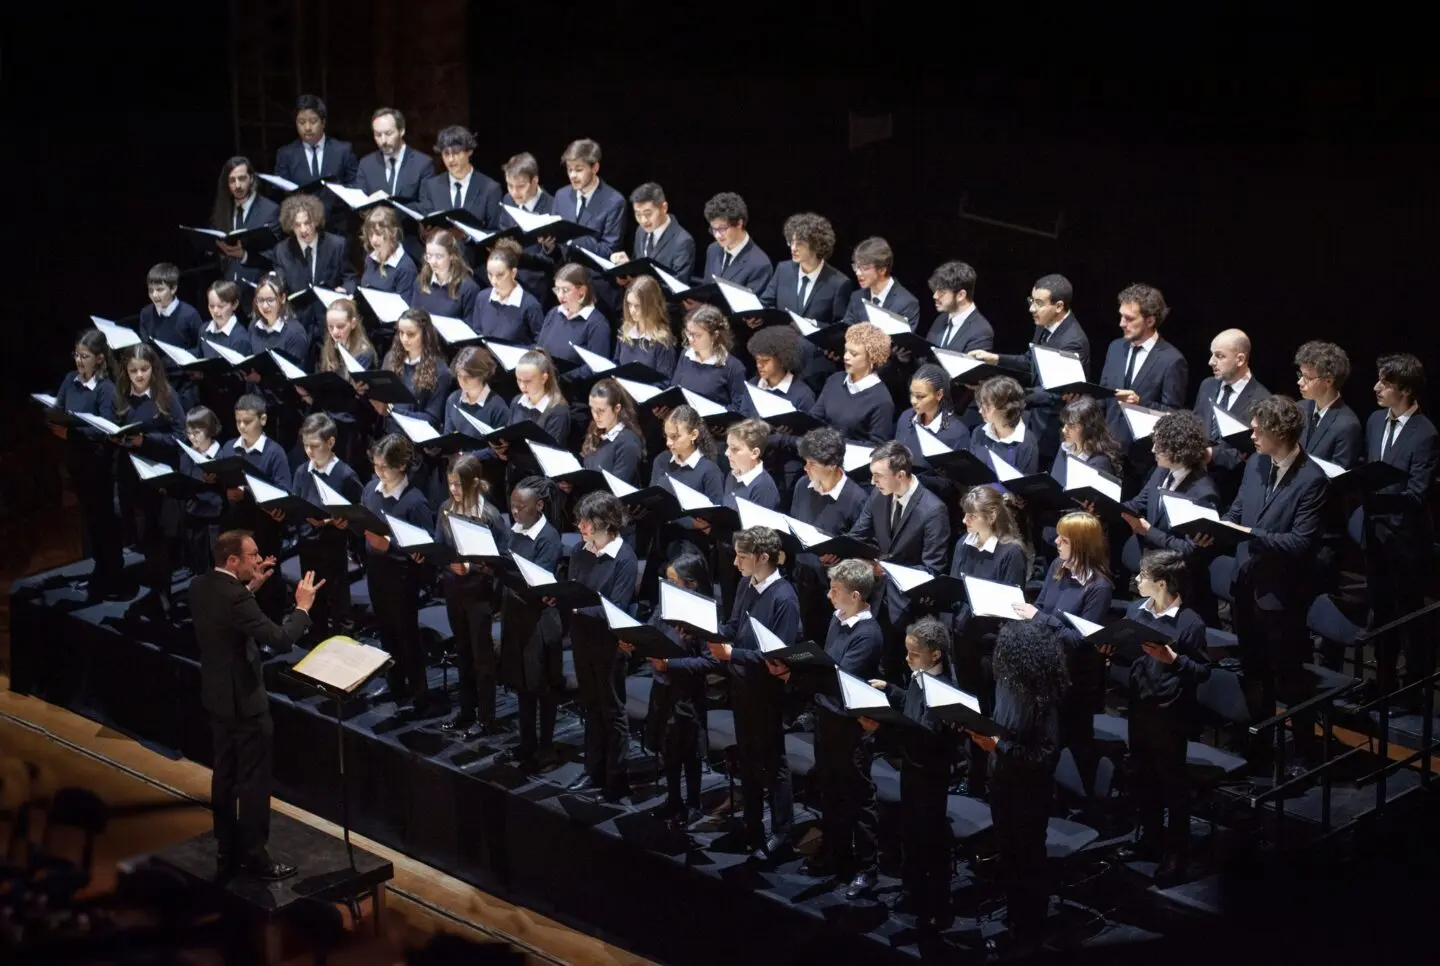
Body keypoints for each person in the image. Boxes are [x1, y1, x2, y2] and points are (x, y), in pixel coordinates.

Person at [190, 529, 322, 880]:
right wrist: (303, 607)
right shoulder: (236, 597)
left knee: (224, 776)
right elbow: (280, 638)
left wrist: (250, 587)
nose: (260, 560)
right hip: (245, 703)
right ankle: (255, 856)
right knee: (253, 782)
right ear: (233, 560)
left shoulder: (200, 585)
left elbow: (227, 612)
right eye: (253, 555)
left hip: (216, 697)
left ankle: (226, 848)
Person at [1218, 395, 1328, 768]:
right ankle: (1259, 746)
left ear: (1278, 432)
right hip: (1246, 585)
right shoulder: (1255, 464)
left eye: (1257, 430)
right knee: (1253, 672)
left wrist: (1250, 534)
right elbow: (1238, 509)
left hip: (1281, 596)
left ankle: (1306, 754)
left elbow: (1300, 543)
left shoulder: (1312, 480)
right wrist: (1218, 527)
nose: (1251, 435)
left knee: (1289, 677)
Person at [771, 558, 884, 899]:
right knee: (831, 792)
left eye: (835, 591)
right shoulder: (838, 619)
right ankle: (836, 853)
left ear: (855, 595)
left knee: (858, 798)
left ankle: (866, 868)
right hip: (827, 719)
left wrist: (797, 674)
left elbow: (840, 678)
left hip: (850, 728)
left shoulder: (869, 634)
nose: (829, 596)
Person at [689, 526, 799, 858]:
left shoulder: (785, 598)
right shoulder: (745, 584)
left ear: (763, 557)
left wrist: (732, 654)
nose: (735, 563)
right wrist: (706, 630)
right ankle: (752, 826)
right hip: (741, 685)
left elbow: (778, 657)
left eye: (742, 556)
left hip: (766, 692)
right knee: (748, 760)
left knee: (772, 763)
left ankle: (782, 832)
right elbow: (735, 626)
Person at [1113, 550, 1211, 882]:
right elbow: (1130, 655)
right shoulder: (1135, 611)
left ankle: (1176, 854)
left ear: (1162, 584)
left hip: (1170, 715)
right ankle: (1150, 840)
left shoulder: (1190, 622)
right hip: (1139, 706)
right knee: (1143, 778)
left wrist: (1174, 660)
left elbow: (1202, 672)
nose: (1137, 579)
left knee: (1172, 785)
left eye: (1143, 575)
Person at [968, 620, 1066, 954]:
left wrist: (999, 746)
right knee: (1009, 857)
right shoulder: (1006, 683)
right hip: (1002, 782)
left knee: (1028, 861)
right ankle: (1015, 923)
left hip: (1030, 791)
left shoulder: (1045, 697)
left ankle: (1030, 932)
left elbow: (1045, 756)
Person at [860, 616, 957, 929]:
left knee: (930, 841)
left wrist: (882, 729)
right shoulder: (920, 678)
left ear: (935, 654)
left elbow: (924, 734)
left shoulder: (944, 691)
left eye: (914, 654)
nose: (907, 658)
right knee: (911, 834)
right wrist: (891, 690)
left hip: (930, 777)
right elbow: (911, 705)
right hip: (912, 772)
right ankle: (913, 892)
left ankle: (937, 906)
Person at [1012, 511, 1113, 797]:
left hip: (1075, 680)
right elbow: (1042, 605)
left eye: (1064, 539)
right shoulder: (1058, 566)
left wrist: (1039, 618)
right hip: (1048, 668)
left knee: (1076, 743)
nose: (1056, 542)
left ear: (1080, 544)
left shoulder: (1099, 587)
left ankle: (1088, 802)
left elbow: (1079, 641)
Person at [1362, 354, 1439, 708]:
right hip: (1374, 535)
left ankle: (1414, 689)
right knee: (1380, 611)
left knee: (1408, 615)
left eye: (1386, 383)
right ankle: (1383, 680)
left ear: (1405, 390)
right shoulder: (1375, 421)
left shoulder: (1425, 433)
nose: (1377, 388)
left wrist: (1373, 493)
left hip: (1405, 540)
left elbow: (1417, 493)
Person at [948, 486, 1029, 797]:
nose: (965, 521)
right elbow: (955, 586)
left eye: (971, 515)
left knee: (988, 713)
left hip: (990, 645)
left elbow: (1010, 604)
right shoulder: (964, 543)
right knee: (967, 710)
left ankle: (987, 780)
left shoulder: (1011, 552)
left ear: (992, 516)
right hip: (963, 638)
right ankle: (970, 774)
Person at [849, 441, 951, 676]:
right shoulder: (878, 495)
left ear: (900, 475)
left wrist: (884, 570)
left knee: (898, 671)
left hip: (908, 607)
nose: (872, 481)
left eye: (878, 476)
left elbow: (932, 570)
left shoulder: (934, 510)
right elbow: (857, 535)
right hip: (877, 597)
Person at [626, 552, 712, 827]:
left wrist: (671, 664)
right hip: (662, 689)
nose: (667, 585)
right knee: (668, 747)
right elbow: (649, 632)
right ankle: (673, 799)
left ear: (691, 583)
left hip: (687, 694)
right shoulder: (665, 605)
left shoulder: (703, 612)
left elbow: (710, 661)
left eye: (673, 580)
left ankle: (693, 804)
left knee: (689, 751)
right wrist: (633, 642)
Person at [970, 273, 1090, 468]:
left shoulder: (1073, 341)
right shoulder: (1044, 324)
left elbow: (1057, 393)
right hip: (1034, 418)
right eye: (1031, 301)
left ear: (1058, 306)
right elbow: (1029, 361)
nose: (1032, 308)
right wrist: (995, 358)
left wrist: (1011, 397)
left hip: (1051, 427)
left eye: (1039, 303)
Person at [565, 492, 640, 802]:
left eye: (588, 521)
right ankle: (592, 769)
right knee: (590, 705)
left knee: (612, 710)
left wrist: (576, 608)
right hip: (582, 638)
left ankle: (616, 778)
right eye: (580, 520)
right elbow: (572, 589)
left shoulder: (624, 558)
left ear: (607, 523)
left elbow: (616, 607)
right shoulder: (579, 551)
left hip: (609, 645)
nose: (581, 526)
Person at [1118, 410, 1222, 620]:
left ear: (1178, 449)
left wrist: (1148, 531)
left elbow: (1191, 550)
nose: (1153, 449)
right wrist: (1107, 506)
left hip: (1178, 587)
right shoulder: (1162, 471)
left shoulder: (1203, 493)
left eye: (1160, 446)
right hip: (1152, 573)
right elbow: (1139, 503)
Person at [359, 434, 436, 712]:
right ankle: (395, 685)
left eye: (384, 467)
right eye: (376, 465)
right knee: (386, 632)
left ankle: (419, 692)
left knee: (406, 635)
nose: (379, 472)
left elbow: (426, 550)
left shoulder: (415, 502)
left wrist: (389, 546)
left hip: (403, 579)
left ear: (401, 466)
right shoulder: (371, 490)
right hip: (377, 573)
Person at [436, 453, 508, 737]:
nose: (454, 489)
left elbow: (501, 560)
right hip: (454, 591)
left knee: (482, 658)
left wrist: (473, 566)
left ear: (474, 483)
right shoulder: (445, 509)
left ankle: (486, 717)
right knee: (463, 652)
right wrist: (448, 564)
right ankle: (466, 711)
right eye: (451, 483)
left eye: (459, 484)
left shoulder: (489, 515)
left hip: (480, 595)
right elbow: (440, 549)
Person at [113, 344, 186, 622]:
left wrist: (146, 441)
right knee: (144, 537)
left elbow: (181, 436)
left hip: (160, 479)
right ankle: (155, 591)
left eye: (144, 369)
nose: (139, 375)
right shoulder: (122, 396)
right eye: (133, 371)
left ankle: (163, 594)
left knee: (161, 539)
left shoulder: (165, 395)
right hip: (133, 478)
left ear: (153, 369)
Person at [498, 478, 565, 771]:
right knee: (522, 685)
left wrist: (503, 572)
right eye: (512, 506)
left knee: (542, 688)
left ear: (539, 506)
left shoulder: (548, 537)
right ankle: (527, 744)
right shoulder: (514, 531)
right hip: (516, 618)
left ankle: (546, 749)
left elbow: (537, 582)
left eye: (521, 507)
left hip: (539, 623)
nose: (515, 512)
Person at [1099, 283, 1189, 488]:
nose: (1122, 323)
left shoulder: (1172, 360)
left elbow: (1173, 414)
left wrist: (1141, 402)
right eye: (1121, 316)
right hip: (1107, 453)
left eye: (1129, 318)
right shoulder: (1115, 348)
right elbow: (1104, 395)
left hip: (1141, 463)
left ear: (1150, 320)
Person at [789, 428, 869, 642]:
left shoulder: (857, 499)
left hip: (834, 589)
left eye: (812, 463)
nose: (806, 468)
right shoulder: (802, 486)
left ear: (832, 464)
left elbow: (860, 552)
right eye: (805, 462)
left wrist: (838, 559)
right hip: (803, 579)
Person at [289, 412, 362, 640]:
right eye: (305, 446)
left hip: (334, 545)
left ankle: (342, 638)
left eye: (315, 446)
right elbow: (296, 503)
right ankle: (316, 635)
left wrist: (338, 522)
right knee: (314, 596)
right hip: (308, 544)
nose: (309, 451)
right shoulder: (302, 472)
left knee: (338, 596)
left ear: (330, 443)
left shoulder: (345, 475)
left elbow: (359, 513)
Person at [763, 212, 854, 395]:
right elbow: (767, 303)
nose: (793, 248)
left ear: (816, 246)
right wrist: (757, 316)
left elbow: (840, 327)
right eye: (791, 242)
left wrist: (813, 325)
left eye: (800, 244)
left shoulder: (838, 283)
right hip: (780, 357)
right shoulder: (783, 269)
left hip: (813, 367)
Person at [1192, 328, 1270, 506]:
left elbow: (1254, 453)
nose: (1211, 362)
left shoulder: (1262, 399)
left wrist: (1211, 455)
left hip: (1229, 490)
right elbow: (1196, 424)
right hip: (1195, 481)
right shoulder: (1207, 385)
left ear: (1240, 359)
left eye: (1220, 356)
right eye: (1212, 355)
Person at [266, 195, 357, 344]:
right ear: (290, 226)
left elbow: (350, 277)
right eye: (297, 225)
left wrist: (346, 291)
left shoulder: (337, 245)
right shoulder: (281, 251)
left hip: (331, 325)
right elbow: (280, 286)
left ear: (316, 221)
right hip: (298, 327)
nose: (303, 229)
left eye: (307, 223)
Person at [745, 325, 815, 508]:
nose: (759, 365)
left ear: (783, 360)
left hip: (787, 475)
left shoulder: (802, 395)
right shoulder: (753, 384)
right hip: (754, 467)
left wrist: (780, 438)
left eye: (765, 361)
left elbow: (810, 442)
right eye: (757, 360)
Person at [273, 94, 358, 233]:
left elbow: (354, 187)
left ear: (323, 122)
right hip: (301, 230)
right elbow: (279, 196)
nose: (307, 127)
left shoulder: (343, 150)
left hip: (337, 229)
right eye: (301, 122)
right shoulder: (285, 154)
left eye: (313, 121)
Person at [809, 322, 895, 444]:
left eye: (854, 354)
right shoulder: (835, 380)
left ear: (872, 359)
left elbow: (877, 446)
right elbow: (815, 418)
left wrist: (836, 444)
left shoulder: (882, 401)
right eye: (846, 351)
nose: (846, 357)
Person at [495, 152, 558, 303]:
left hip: (539, 285)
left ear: (535, 180)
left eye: (521, 186)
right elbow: (503, 232)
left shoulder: (553, 206)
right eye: (510, 186)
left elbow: (555, 258)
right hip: (510, 280)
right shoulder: (507, 200)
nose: (514, 192)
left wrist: (548, 248)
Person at [138, 261, 203, 406]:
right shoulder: (146, 314)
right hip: (157, 384)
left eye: (160, 290)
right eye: (150, 290)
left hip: (184, 385)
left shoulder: (190, 315)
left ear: (173, 288)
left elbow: (200, 349)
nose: (154, 295)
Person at [210, 156, 280, 285]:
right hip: (229, 288)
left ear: (251, 179)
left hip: (258, 286)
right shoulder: (223, 211)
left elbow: (274, 257)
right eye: (232, 180)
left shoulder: (270, 210)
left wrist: (244, 255)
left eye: (242, 178)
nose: (237, 185)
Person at [417, 125, 503, 229]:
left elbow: (495, 232)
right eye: (446, 154)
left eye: (456, 153)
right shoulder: (431, 186)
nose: (450, 160)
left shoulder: (490, 189)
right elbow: (427, 226)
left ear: (469, 151)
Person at [1295, 340, 1364, 467]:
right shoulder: (1300, 407)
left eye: (1308, 377)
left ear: (1328, 381)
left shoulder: (1347, 425)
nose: (1300, 382)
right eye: (1300, 374)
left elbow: (1339, 474)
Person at [612, 182, 696, 282]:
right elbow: (638, 266)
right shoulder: (640, 231)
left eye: (648, 214)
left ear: (664, 208)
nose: (643, 220)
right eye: (638, 214)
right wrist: (626, 269)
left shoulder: (683, 242)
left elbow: (679, 284)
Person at [354, 106, 435, 206]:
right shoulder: (366, 164)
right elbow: (359, 203)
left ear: (401, 131)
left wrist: (393, 209)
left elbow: (427, 207)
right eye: (378, 135)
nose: (383, 141)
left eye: (388, 134)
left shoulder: (423, 164)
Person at [671, 304, 747, 409]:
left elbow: (738, 407)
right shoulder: (686, 355)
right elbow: (675, 388)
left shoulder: (734, 367)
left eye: (697, 335)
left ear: (715, 335)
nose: (691, 340)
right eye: (689, 333)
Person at [470, 239, 545, 344]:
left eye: (500, 275)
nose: (493, 281)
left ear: (513, 273)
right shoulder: (482, 297)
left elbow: (539, 345)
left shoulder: (530, 305)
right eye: (490, 274)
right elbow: (477, 334)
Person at [839, 237, 922, 329]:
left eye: (865, 268)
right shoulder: (856, 297)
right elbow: (846, 331)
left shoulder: (907, 303)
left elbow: (901, 338)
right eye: (857, 267)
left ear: (882, 270)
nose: (858, 273)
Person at [699, 192, 772, 292]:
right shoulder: (713, 250)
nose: (717, 235)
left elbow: (751, 302)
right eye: (714, 229)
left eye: (722, 229)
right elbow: (705, 289)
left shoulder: (760, 264)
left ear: (739, 223)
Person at [579, 379, 645, 485]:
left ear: (617, 408)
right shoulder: (595, 432)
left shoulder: (628, 443)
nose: (595, 415)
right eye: (592, 409)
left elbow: (618, 488)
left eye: (601, 410)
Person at [970, 375, 1039, 475]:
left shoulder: (1027, 443)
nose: (980, 411)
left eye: (987, 406)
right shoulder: (979, 432)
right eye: (981, 405)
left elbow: (1025, 482)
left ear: (1006, 408)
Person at [615, 275, 679, 378]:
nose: (632, 310)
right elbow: (616, 365)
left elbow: (665, 382)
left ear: (651, 306)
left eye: (637, 306)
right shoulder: (625, 331)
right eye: (629, 304)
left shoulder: (662, 342)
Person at [924, 260, 993, 354]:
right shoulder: (941, 319)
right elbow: (926, 356)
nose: (935, 296)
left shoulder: (981, 331)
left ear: (961, 295)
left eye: (941, 292)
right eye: (935, 291)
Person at [358, 205, 419, 309]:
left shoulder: (406, 268)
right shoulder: (370, 258)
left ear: (393, 232)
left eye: (379, 234)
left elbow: (404, 310)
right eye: (370, 234)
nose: (374, 240)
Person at [412, 229, 481, 321]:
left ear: (452, 256)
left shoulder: (469, 289)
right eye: (429, 256)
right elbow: (414, 317)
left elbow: (470, 325)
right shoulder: (422, 280)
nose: (433, 262)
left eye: (439, 256)